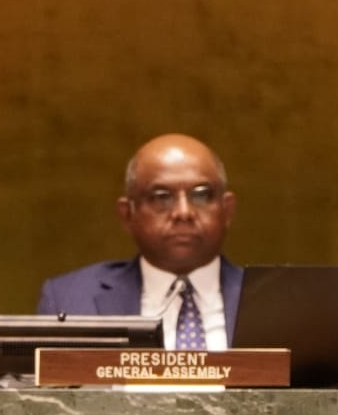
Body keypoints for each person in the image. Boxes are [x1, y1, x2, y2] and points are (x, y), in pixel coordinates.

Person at [36, 134, 244, 348]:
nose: (184, 212)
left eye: (201, 195)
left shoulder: (273, 301)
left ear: (227, 210)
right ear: (127, 214)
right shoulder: (71, 298)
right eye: (162, 197)